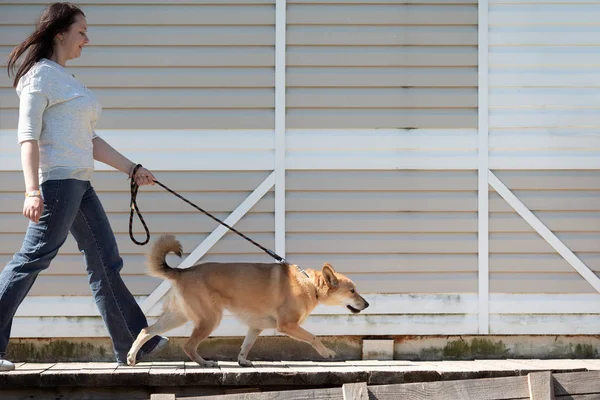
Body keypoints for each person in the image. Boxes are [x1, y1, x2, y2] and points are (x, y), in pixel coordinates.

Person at [0, 2, 168, 371]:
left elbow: (89, 140)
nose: (86, 40)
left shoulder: (66, 78)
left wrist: (132, 168)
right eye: (81, 32)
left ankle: (133, 343)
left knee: (106, 261)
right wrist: (32, 190)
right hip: (58, 183)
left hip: (79, 182)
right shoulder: (40, 76)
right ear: (60, 33)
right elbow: (27, 137)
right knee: (31, 260)